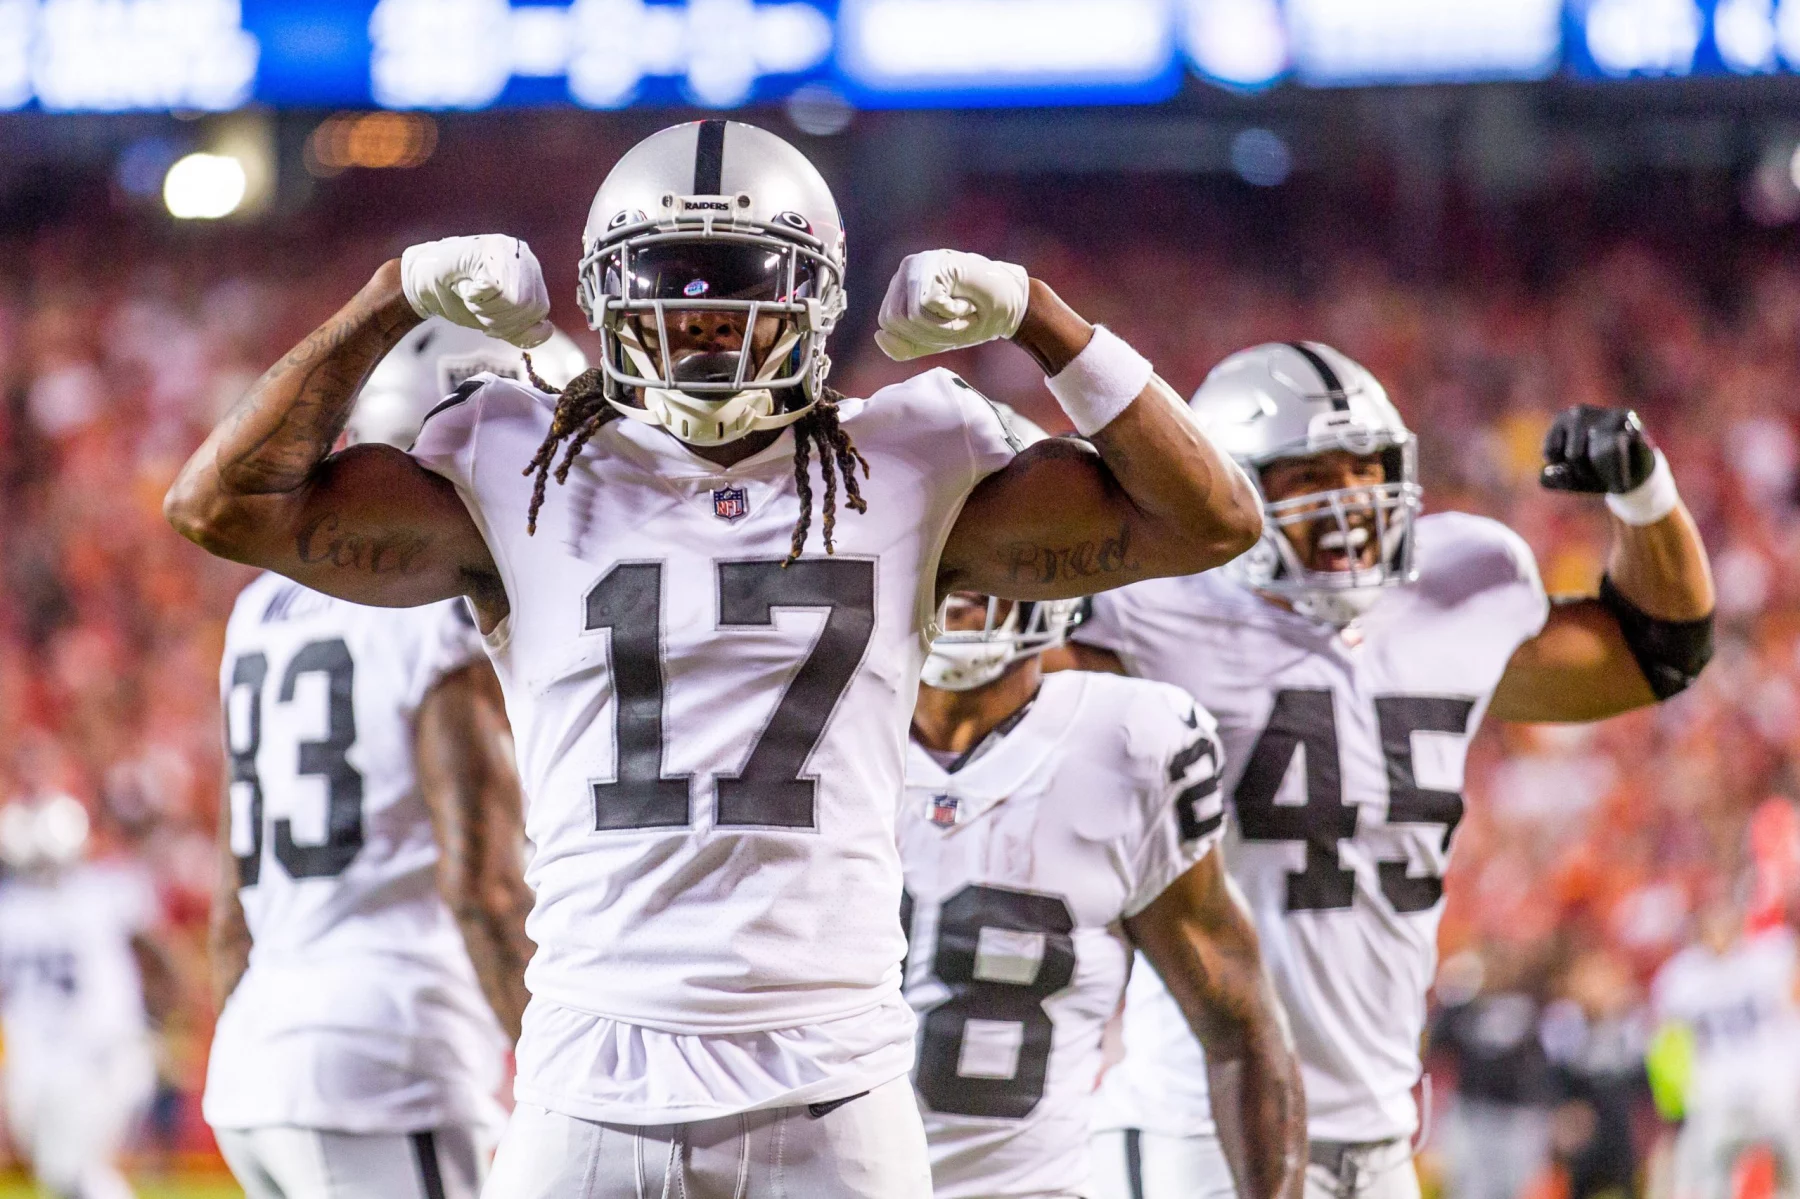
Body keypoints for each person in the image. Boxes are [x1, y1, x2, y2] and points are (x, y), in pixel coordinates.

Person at [163, 119, 1262, 1199]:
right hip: (590, 1072)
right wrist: (393, 291)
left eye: (738, 282)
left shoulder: (909, 458)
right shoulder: (522, 462)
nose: (700, 317)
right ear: (604, 295)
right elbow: (221, 506)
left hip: (832, 1073)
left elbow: (1210, 521)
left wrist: (1040, 316)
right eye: (667, 281)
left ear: (814, 296)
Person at [1063, 342, 1715, 1199]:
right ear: (1227, 486)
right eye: (1308, 475)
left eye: (1364, 468)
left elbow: (1658, 650)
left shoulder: (1448, 597)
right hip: (1198, 1128)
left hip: (1380, 1143)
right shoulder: (1151, 611)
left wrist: (1645, 494)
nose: (1349, 500)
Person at [202, 323, 550, 1199]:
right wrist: (560, 1084)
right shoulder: (439, 608)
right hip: (387, 1055)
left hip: (259, 1054)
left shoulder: (261, 606)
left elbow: (231, 901)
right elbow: (483, 885)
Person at [899, 568, 1305, 1199]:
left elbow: (1242, 1033)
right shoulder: (799, 727)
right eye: (942, 539)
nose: (966, 563)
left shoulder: (1130, 742)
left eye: (991, 536)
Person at [0, 794, 172, 1199]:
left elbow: (158, 959)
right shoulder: (104, 891)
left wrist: (158, 1021)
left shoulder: (97, 893)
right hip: (54, 1057)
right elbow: (159, 959)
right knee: (61, 1175)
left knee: (76, 1172)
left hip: (97, 1052)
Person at [1649, 890, 1800, 1199]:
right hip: (1714, 1091)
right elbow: (1667, 1040)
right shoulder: (1680, 975)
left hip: (1772, 1085)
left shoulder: (1770, 955)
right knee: (1704, 1179)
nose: (1720, 931)